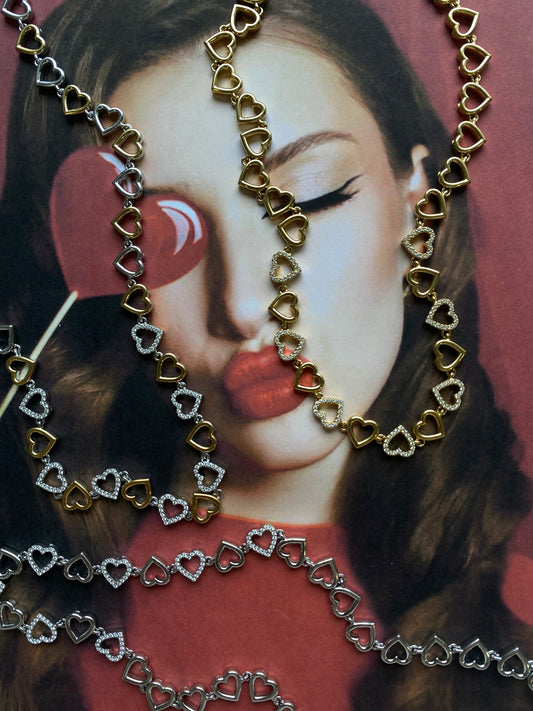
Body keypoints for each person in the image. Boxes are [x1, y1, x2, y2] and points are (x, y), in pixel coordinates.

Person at [0, 0, 531, 708]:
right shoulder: (31, 626)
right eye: (158, 240)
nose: (247, 304)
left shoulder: (517, 612)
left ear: (416, 205)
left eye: (307, 199)